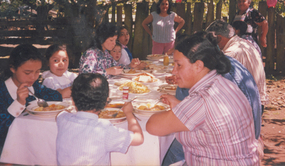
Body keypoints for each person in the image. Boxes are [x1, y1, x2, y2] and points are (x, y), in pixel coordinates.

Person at [146, 35, 263, 165]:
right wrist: (179, 105)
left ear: (198, 66)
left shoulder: (202, 99)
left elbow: (153, 126)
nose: (174, 71)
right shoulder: (222, 83)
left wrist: (179, 109)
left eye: (179, 65)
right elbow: (206, 117)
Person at [56, 73, 144, 165]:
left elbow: (60, 114)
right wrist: (129, 113)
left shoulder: (62, 119)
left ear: (72, 100)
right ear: (105, 102)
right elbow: (138, 138)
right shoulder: (104, 129)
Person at [0, 44, 62, 154]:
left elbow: (56, 97)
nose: (33, 77)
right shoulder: (2, 92)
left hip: (35, 145)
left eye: (37, 71)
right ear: (12, 68)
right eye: (27, 72)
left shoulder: (35, 87)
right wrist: (18, 103)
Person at [206, 19, 269, 112]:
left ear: (219, 38)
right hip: (256, 101)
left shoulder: (231, 53)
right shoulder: (244, 44)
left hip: (245, 104)